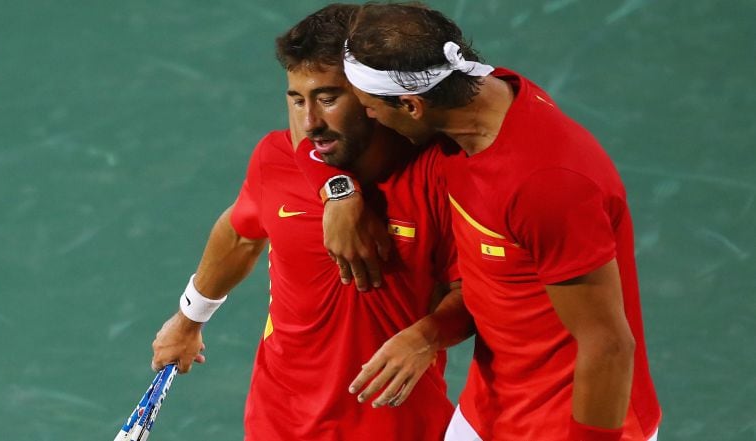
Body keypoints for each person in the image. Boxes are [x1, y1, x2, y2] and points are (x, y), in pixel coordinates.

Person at [292, 3, 662, 440]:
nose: (368, 119)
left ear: (410, 106)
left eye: (371, 108)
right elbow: (306, 140)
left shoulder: (547, 185)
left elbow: (609, 346)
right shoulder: (470, 99)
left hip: (568, 424)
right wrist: (339, 191)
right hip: (489, 409)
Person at [149, 4, 473, 440]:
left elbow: (475, 291)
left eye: (327, 97)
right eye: (296, 99)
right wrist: (189, 318)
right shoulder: (276, 159)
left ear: (370, 93)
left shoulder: (438, 175)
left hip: (397, 426)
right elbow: (241, 234)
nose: (309, 122)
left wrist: (425, 338)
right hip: (278, 422)